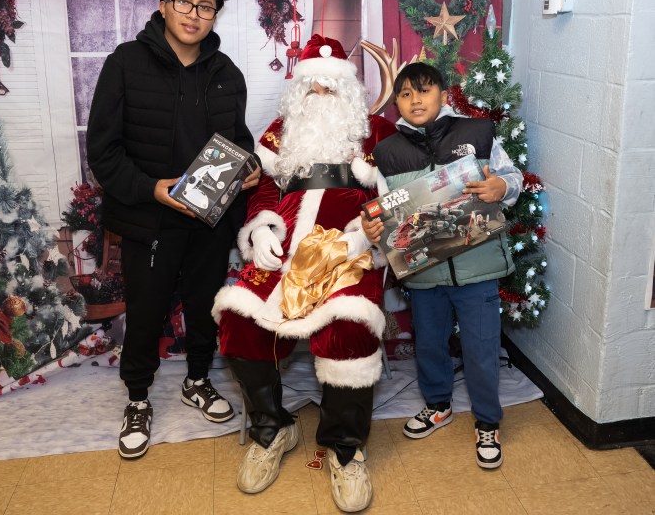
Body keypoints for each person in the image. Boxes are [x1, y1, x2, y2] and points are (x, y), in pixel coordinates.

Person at [212, 35, 396, 512]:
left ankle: (344, 446)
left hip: (347, 251)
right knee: (238, 319)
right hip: (286, 251)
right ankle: (273, 429)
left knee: (349, 327)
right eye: (313, 85)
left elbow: (398, 191)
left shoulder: (376, 131)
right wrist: (262, 228)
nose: (321, 94)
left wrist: (364, 232)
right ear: (299, 88)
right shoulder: (279, 130)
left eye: (331, 86)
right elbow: (263, 190)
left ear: (349, 91)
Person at [86, 0, 260, 460]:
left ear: (213, 17)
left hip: (209, 219)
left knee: (206, 306)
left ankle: (199, 381)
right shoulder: (126, 63)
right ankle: (138, 398)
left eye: (205, 7)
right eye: (184, 3)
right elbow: (103, 150)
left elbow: (240, 142)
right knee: (146, 311)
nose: (194, 14)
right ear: (163, 5)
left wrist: (251, 168)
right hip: (151, 216)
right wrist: (149, 189)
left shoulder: (226, 72)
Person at [363, 62, 522, 469]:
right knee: (430, 344)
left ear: (443, 93)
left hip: (477, 269)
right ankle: (438, 405)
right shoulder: (386, 153)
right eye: (406, 94)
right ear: (396, 101)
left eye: (425, 90)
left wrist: (501, 186)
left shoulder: (477, 132)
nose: (416, 100)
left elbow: (512, 178)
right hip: (424, 274)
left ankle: (487, 421)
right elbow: (384, 216)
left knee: (482, 347)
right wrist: (372, 226)